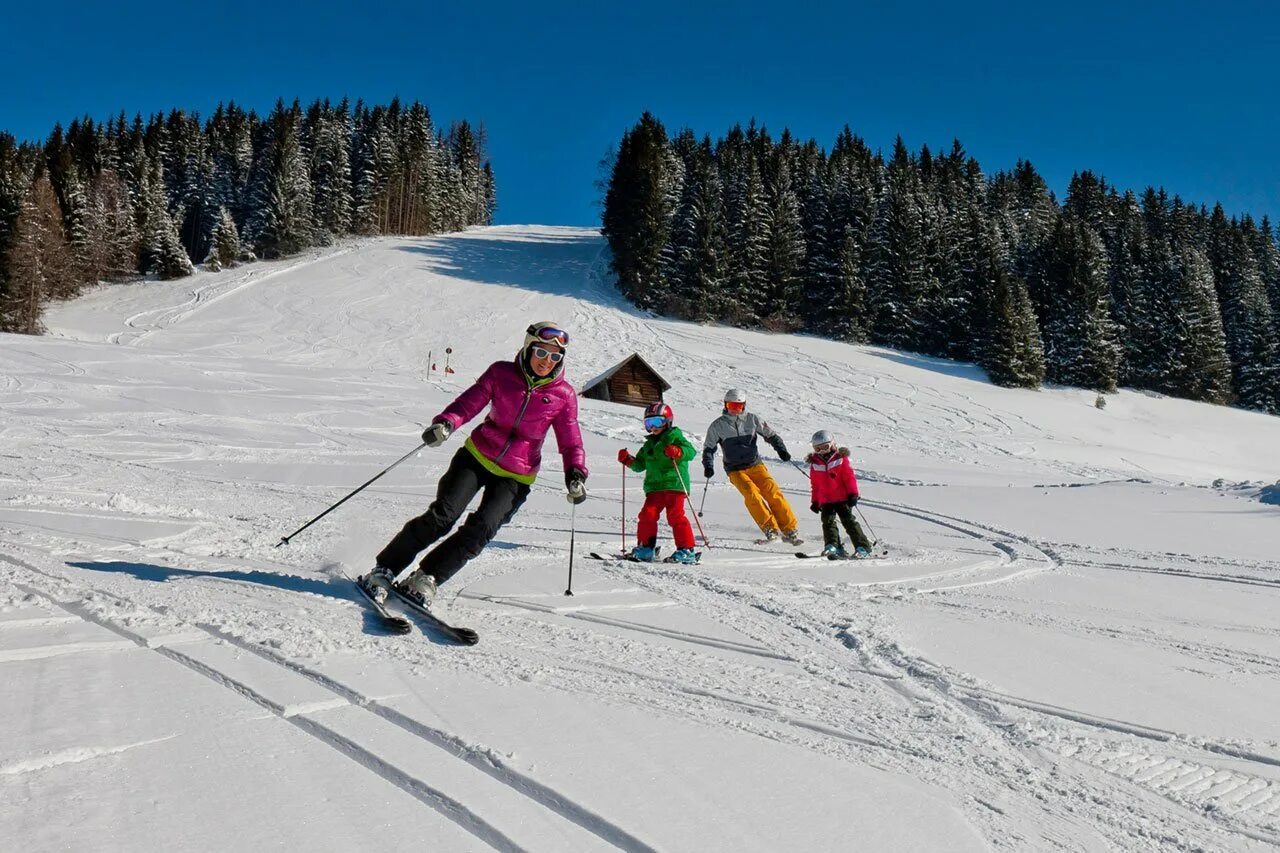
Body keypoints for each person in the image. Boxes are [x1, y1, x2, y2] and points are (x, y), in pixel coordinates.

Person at [360, 322, 588, 604]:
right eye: (541, 352)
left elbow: (570, 439)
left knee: (482, 530)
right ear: (529, 348)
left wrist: (575, 471)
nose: (546, 361)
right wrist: (447, 422)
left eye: (555, 357)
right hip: (477, 456)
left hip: (517, 476)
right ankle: (385, 569)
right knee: (443, 516)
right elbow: (470, 402)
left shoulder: (563, 395)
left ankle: (426, 577)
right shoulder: (501, 373)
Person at [702, 388, 801, 545]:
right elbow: (709, 448)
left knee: (772, 492)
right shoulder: (718, 426)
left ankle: (789, 529)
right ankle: (771, 529)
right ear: (725, 405)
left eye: (738, 406)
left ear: (744, 406)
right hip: (735, 469)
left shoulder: (752, 419)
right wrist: (708, 465)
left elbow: (771, 435)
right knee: (751, 494)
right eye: (731, 406)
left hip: (755, 464)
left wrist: (781, 449)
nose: (735, 409)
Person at [617, 403, 699, 564]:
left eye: (656, 422)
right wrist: (627, 460)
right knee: (647, 515)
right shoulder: (648, 445)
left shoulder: (675, 437)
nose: (652, 427)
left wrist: (678, 452)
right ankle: (646, 548)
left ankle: (686, 550)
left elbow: (691, 452)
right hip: (654, 487)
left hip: (674, 484)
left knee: (675, 516)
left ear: (667, 422)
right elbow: (640, 465)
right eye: (648, 424)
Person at [806, 430, 873, 558]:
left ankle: (863, 547)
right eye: (817, 449)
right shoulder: (815, 463)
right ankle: (833, 546)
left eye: (824, 447)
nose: (822, 451)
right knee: (828, 522)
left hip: (842, 498)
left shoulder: (840, 459)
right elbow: (815, 484)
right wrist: (815, 501)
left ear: (832, 444)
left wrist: (853, 493)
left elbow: (849, 478)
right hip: (826, 500)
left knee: (849, 522)